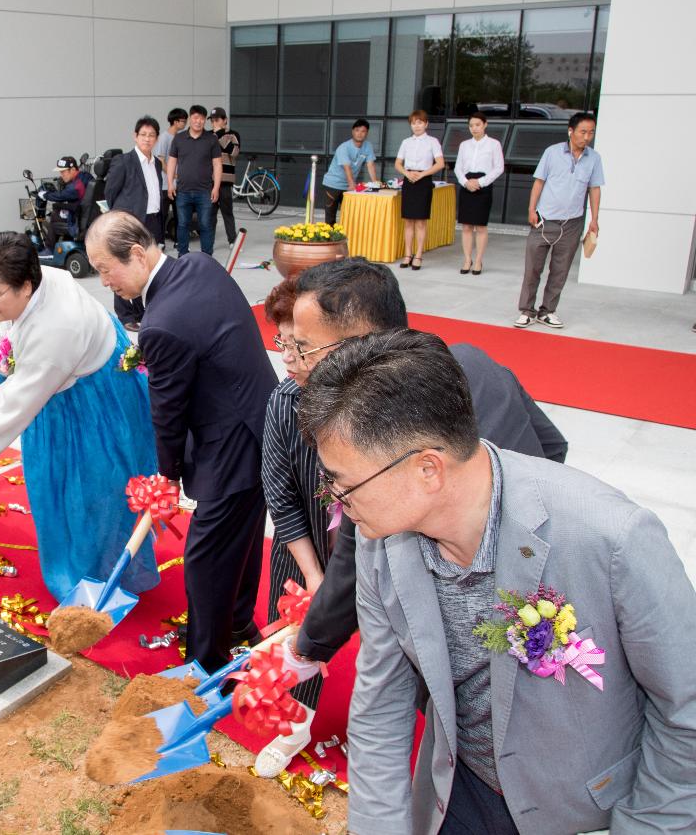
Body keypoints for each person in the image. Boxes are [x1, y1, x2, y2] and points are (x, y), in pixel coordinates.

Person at [296, 329, 696, 835]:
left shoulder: (611, 537)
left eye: (343, 484)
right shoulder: (382, 547)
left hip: (586, 812)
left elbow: (686, 713)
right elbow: (381, 708)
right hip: (461, 793)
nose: (335, 500)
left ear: (427, 469)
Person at [280, 258, 569, 673]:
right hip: (544, 581)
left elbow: (352, 555)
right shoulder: (471, 358)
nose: (298, 362)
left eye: (305, 347)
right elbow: (552, 446)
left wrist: (306, 647)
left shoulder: (376, 424)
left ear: (353, 346)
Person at [86, 211, 277, 672]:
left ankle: (206, 662)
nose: (104, 280)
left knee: (207, 556)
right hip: (263, 420)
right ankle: (235, 624)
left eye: (105, 268)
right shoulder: (200, 265)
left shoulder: (162, 323)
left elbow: (167, 414)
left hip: (229, 443)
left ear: (135, 253)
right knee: (244, 538)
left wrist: (166, 478)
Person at [0, 232, 159, 603]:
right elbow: (18, 336)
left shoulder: (58, 330)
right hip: (66, 383)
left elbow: (15, 410)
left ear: (25, 285)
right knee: (65, 487)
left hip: (93, 402)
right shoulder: (42, 280)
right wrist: (4, 359)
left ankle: (94, 580)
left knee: (91, 491)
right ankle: (90, 566)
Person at [260, 273, 329, 710]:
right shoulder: (285, 401)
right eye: (281, 342)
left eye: (298, 346)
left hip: (368, 548)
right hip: (306, 540)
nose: (287, 357)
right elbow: (280, 497)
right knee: (293, 631)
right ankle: (294, 720)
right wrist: (314, 574)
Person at [515, 111, 604, 329]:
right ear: (571, 131)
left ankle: (548, 311)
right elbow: (539, 182)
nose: (587, 137)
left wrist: (594, 219)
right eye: (583, 132)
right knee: (533, 268)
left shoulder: (594, 158)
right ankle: (527, 310)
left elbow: (594, 189)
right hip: (544, 221)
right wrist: (531, 209)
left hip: (572, 223)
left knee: (560, 270)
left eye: (591, 132)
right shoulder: (552, 153)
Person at [105, 116, 166, 331]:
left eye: (151, 135)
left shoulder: (157, 163)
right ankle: (125, 315)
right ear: (135, 136)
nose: (147, 139)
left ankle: (142, 311)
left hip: (152, 221)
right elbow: (110, 192)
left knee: (146, 266)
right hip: (129, 221)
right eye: (143, 135)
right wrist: (122, 216)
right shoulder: (123, 161)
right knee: (122, 265)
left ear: (156, 138)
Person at [166, 105, 222, 256]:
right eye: (196, 118)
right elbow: (172, 162)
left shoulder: (211, 140)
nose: (199, 121)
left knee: (205, 225)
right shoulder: (179, 138)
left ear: (205, 120)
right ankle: (182, 256)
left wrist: (216, 187)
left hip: (205, 191)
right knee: (183, 225)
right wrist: (171, 183)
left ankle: (207, 257)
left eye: (202, 119)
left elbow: (217, 164)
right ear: (190, 119)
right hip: (183, 191)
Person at [454, 112, 504, 275]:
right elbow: (458, 168)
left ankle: (478, 260)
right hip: (467, 185)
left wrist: (480, 182)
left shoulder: (494, 144)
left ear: (485, 124)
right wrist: (466, 182)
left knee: (481, 226)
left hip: (484, 185)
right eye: (471, 125)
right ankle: (467, 259)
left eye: (477, 125)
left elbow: (498, 168)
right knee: (466, 226)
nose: (474, 128)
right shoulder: (464, 145)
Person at [393, 110, 444, 270]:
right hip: (409, 181)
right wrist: (407, 173)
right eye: (414, 123)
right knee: (408, 221)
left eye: (420, 122)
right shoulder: (406, 142)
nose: (417, 126)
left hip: (424, 181)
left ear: (426, 124)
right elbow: (398, 163)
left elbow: (440, 163)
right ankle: (407, 254)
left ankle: (419, 255)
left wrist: (422, 174)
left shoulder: (432, 141)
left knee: (421, 221)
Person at [321, 118, 378, 226]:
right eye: (357, 130)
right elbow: (346, 167)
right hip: (333, 185)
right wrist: (352, 184)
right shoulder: (344, 147)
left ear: (367, 133)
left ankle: (346, 240)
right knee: (330, 219)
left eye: (363, 131)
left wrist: (375, 183)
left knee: (350, 216)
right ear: (352, 131)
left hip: (348, 186)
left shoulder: (368, 146)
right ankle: (329, 241)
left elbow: (370, 164)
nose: (360, 134)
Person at [39, 156, 92, 254]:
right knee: (60, 212)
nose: (61, 175)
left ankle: (49, 250)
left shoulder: (75, 187)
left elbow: (61, 195)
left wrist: (44, 194)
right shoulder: (86, 176)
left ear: (72, 169)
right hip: (85, 213)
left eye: (63, 172)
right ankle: (65, 243)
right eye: (60, 172)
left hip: (78, 218)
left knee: (54, 215)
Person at [155, 107, 188, 246]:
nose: (185, 124)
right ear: (175, 122)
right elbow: (161, 160)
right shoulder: (164, 137)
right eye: (183, 121)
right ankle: (160, 242)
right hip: (165, 184)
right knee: (162, 215)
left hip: (179, 184)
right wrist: (173, 174)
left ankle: (178, 241)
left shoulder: (181, 137)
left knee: (180, 214)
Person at [210, 108, 240, 247]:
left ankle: (232, 240)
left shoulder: (233, 135)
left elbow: (234, 152)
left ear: (225, 120)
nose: (214, 123)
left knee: (227, 211)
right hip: (210, 180)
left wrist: (220, 134)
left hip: (226, 179)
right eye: (212, 120)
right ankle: (209, 240)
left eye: (217, 120)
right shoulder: (208, 135)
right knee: (210, 213)